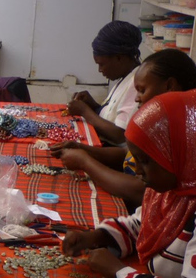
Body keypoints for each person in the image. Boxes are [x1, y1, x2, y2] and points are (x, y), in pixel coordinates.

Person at [62, 90, 196, 278]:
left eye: (147, 161)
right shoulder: (174, 193)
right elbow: (142, 225)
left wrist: (119, 273)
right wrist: (96, 236)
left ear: (183, 154)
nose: (137, 170)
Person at [51, 49, 196, 211]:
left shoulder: (181, 134)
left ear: (170, 85)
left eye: (142, 90)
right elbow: (128, 155)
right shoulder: (160, 125)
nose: (136, 98)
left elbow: (140, 190)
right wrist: (83, 149)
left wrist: (85, 162)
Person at [67, 20, 142, 146]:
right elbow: (113, 117)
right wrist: (94, 107)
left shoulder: (136, 83)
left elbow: (119, 134)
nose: (100, 70)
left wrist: (85, 111)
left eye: (102, 64)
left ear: (119, 57)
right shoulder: (125, 77)